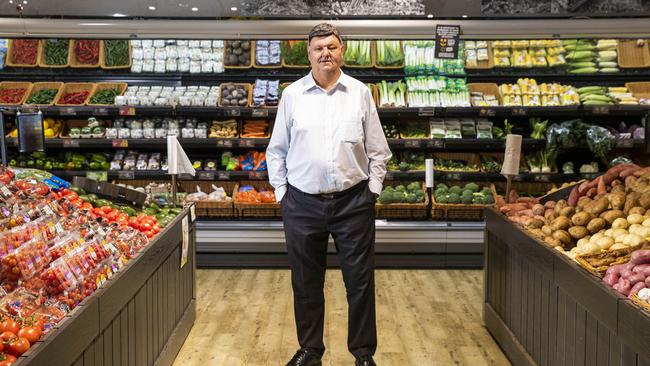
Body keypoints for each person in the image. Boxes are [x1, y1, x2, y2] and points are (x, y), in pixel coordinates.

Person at [266, 23, 391, 366]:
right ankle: (310, 350)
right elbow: (275, 151)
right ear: (308, 54)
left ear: (342, 51)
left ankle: (363, 354)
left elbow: (379, 151)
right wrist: (282, 195)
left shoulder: (360, 93)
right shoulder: (292, 95)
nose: (325, 53)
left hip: (353, 202)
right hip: (302, 203)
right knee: (305, 283)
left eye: (331, 47)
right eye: (318, 48)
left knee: (360, 282)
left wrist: (372, 191)